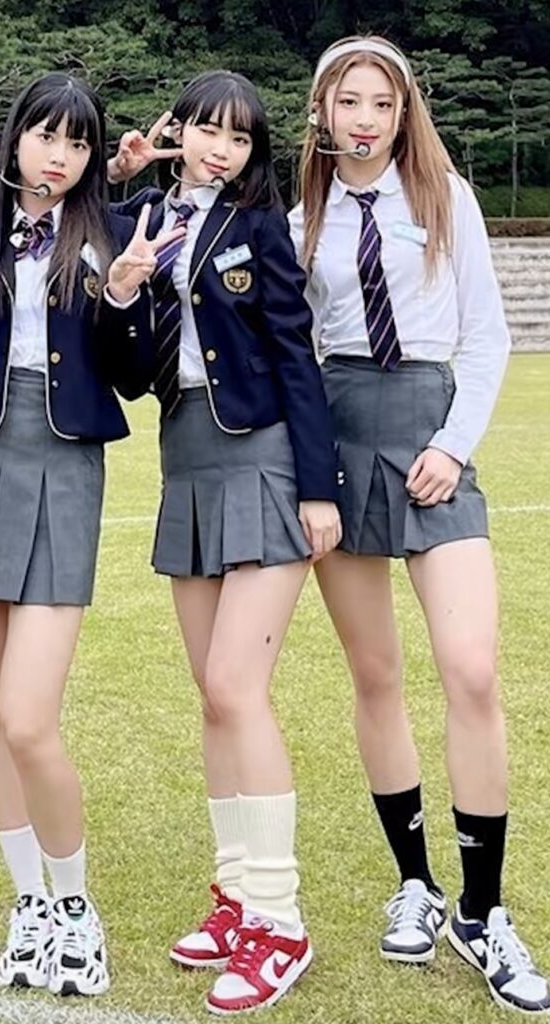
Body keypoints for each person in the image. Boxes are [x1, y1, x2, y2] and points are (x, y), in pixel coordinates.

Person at [288, 35, 550, 1015]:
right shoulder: (300, 216)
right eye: (348, 101)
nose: (364, 119)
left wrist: (451, 441)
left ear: (403, 115)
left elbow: (485, 332)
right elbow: (293, 348)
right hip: (340, 433)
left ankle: (482, 909)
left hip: (431, 428)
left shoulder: (445, 198)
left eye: (382, 104)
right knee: (376, 675)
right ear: (321, 111)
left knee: (470, 670)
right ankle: (416, 884)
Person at [108, 69, 341, 1014]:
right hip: (188, 462)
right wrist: (122, 197)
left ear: (254, 152)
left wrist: (318, 490)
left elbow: (295, 353)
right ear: (179, 132)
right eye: (207, 130)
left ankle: (280, 921)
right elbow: (126, 363)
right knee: (213, 697)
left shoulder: (260, 227)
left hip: (265, 459)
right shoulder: (142, 218)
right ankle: (237, 897)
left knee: (239, 688)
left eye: (240, 138)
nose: (221, 149)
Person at [0, 71, 175, 997]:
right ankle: (28, 902)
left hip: (65, 468)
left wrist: (121, 295)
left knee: (30, 716)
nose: (60, 155)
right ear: (17, 139)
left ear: (91, 156)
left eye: (78, 143)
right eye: (46, 135)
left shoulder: (114, 231)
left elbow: (133, 377)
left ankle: (76, 908)